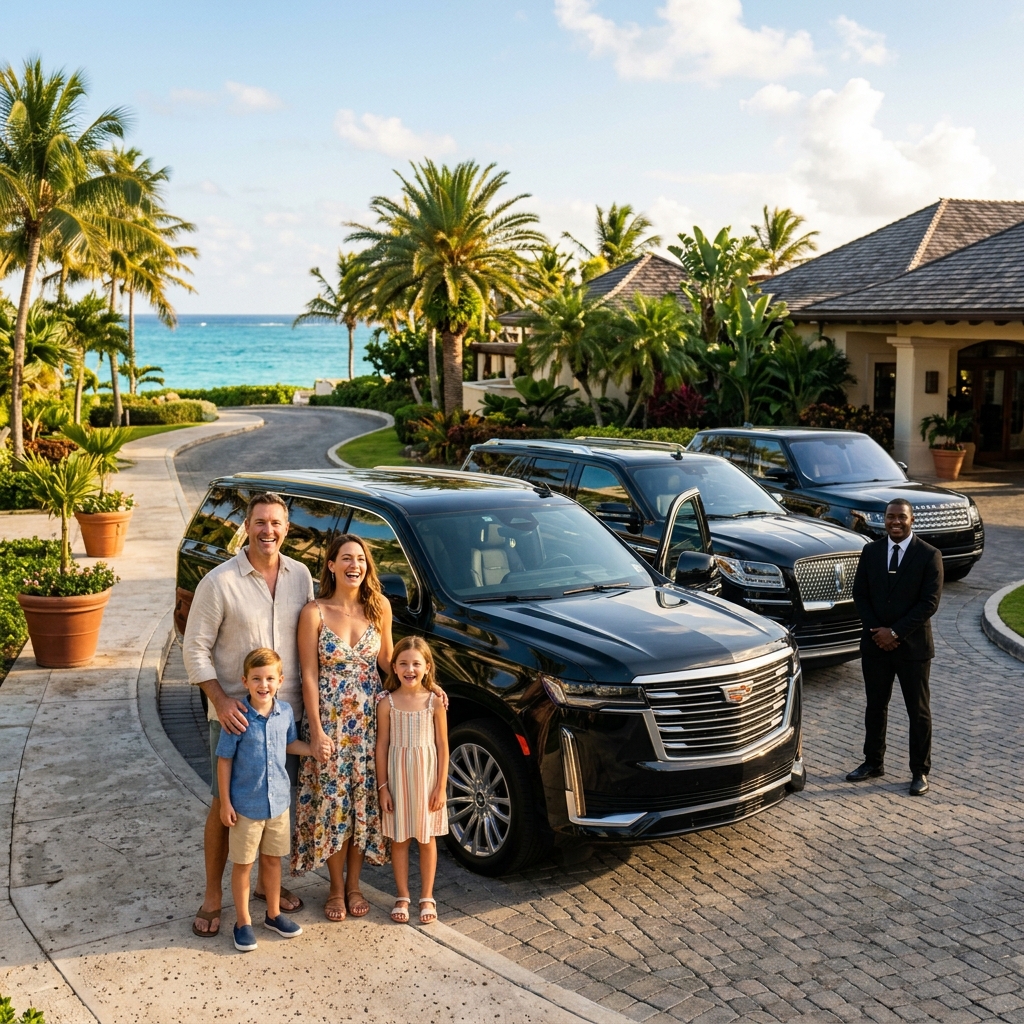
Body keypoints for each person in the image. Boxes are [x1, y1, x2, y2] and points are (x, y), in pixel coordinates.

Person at [184, 492, 313, 938]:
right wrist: (220, 701)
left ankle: (266, 890)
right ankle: (213, 895)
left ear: (287, 529)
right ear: (246, 526)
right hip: (235, 717)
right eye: (260, 522)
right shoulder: (219, 582)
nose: (268, 531)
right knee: (228, 805)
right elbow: (194, 648)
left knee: (275, 801)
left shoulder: (301, 576)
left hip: (284, 717)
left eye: (276, 523)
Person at [291, 534, 394, 921]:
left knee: (361, 805)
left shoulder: (379, 606)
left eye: (362, 559)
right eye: (347, 558)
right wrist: (315, 731)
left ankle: (355, 886)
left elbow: (387, 662)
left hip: (369, 724)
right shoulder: (314, 612)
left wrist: (427, 686)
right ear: (331, 565)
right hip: (331, 722)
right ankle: (335, 889)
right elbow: (308, 674)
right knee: (334, 806)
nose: (355, 565)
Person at [217, 648, 314, 951]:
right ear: (245, 681)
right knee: (243, 864)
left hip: (278, 805)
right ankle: (243, 921)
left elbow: (290, 744)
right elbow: (224, 760)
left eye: (270, 678)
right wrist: (225, 803)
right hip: (246, 806)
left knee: (273, 861)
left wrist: (313, 749)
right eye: (257, 678)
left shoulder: (284, 712)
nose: (264, 684)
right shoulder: (238, 717)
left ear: (280, 680)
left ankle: (273, 914)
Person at [847, 498, 943, 796]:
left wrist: (896, 633)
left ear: (912, 520)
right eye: (890, 517)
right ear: (884, 520)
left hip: (913, 648)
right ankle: (873, 762)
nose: (895, 522)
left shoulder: (929, 555)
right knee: (875, 706)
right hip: (875, 646)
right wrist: (879, 632)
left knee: (918, 712)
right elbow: (860, 594)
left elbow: (929, 602)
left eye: (901, 517)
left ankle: (919, 772)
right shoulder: (871, 551)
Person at [375, 636, 449, 926]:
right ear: (393, 667)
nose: (409, 669)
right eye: (403, 663)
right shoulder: (387, 704)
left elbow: (443, 745)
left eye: (416, 663)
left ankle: (427, 895)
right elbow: (381, 746)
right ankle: (402, 895)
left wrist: (441, 787)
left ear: (427, 667)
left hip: (427, 780)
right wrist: (383, 788)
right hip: (397, 780)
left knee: (427, 838)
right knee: (400, 839)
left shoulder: (434, 703)